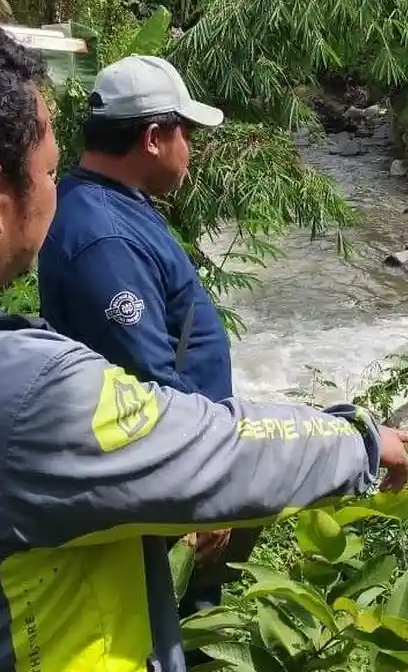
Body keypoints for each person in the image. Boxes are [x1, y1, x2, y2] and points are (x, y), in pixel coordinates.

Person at [0, 6, 408, 672]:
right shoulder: (16, 395)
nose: (56, 193)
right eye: (47, 172)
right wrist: (356, 438)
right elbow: (209, 450)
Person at [36, 54, 241, 651]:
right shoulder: (105, 236)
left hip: (168, 473)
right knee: (160, 638)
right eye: (186, 133)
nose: (191, 149)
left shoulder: (110, 204)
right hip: (160, 487)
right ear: (153, 137)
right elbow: (146, 380)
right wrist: (203, 496)